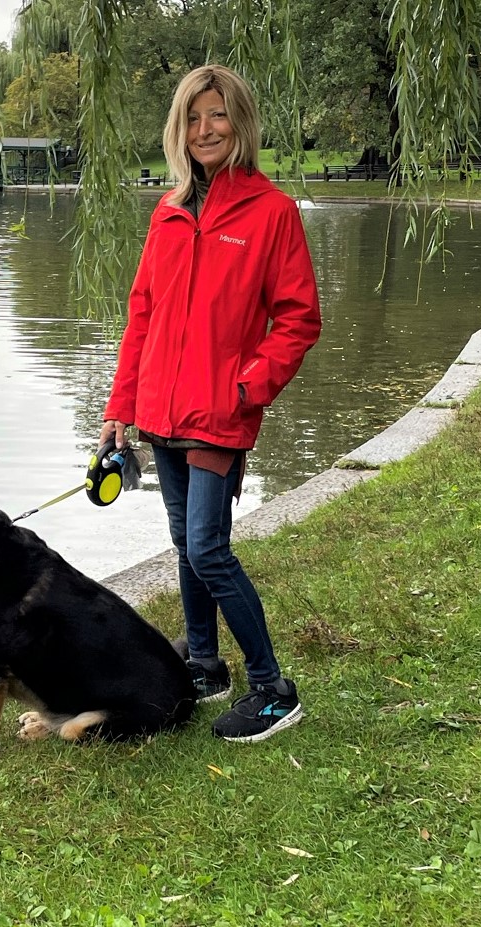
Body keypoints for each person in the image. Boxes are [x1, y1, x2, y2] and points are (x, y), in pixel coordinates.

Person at [99, 64, 321, 743]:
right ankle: (202, 664)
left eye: (218, 115)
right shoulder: (167, 213)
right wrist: (119, 406)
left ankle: (272, 688)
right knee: (182, 543)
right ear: (178, 130)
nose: (205, 130)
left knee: (207, 546)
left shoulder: (270, 213)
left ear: (240, 123)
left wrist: (246, 388)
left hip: (219, 412)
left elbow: (298, 319)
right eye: (192, 119)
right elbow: (142, 315)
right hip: (160, 412)